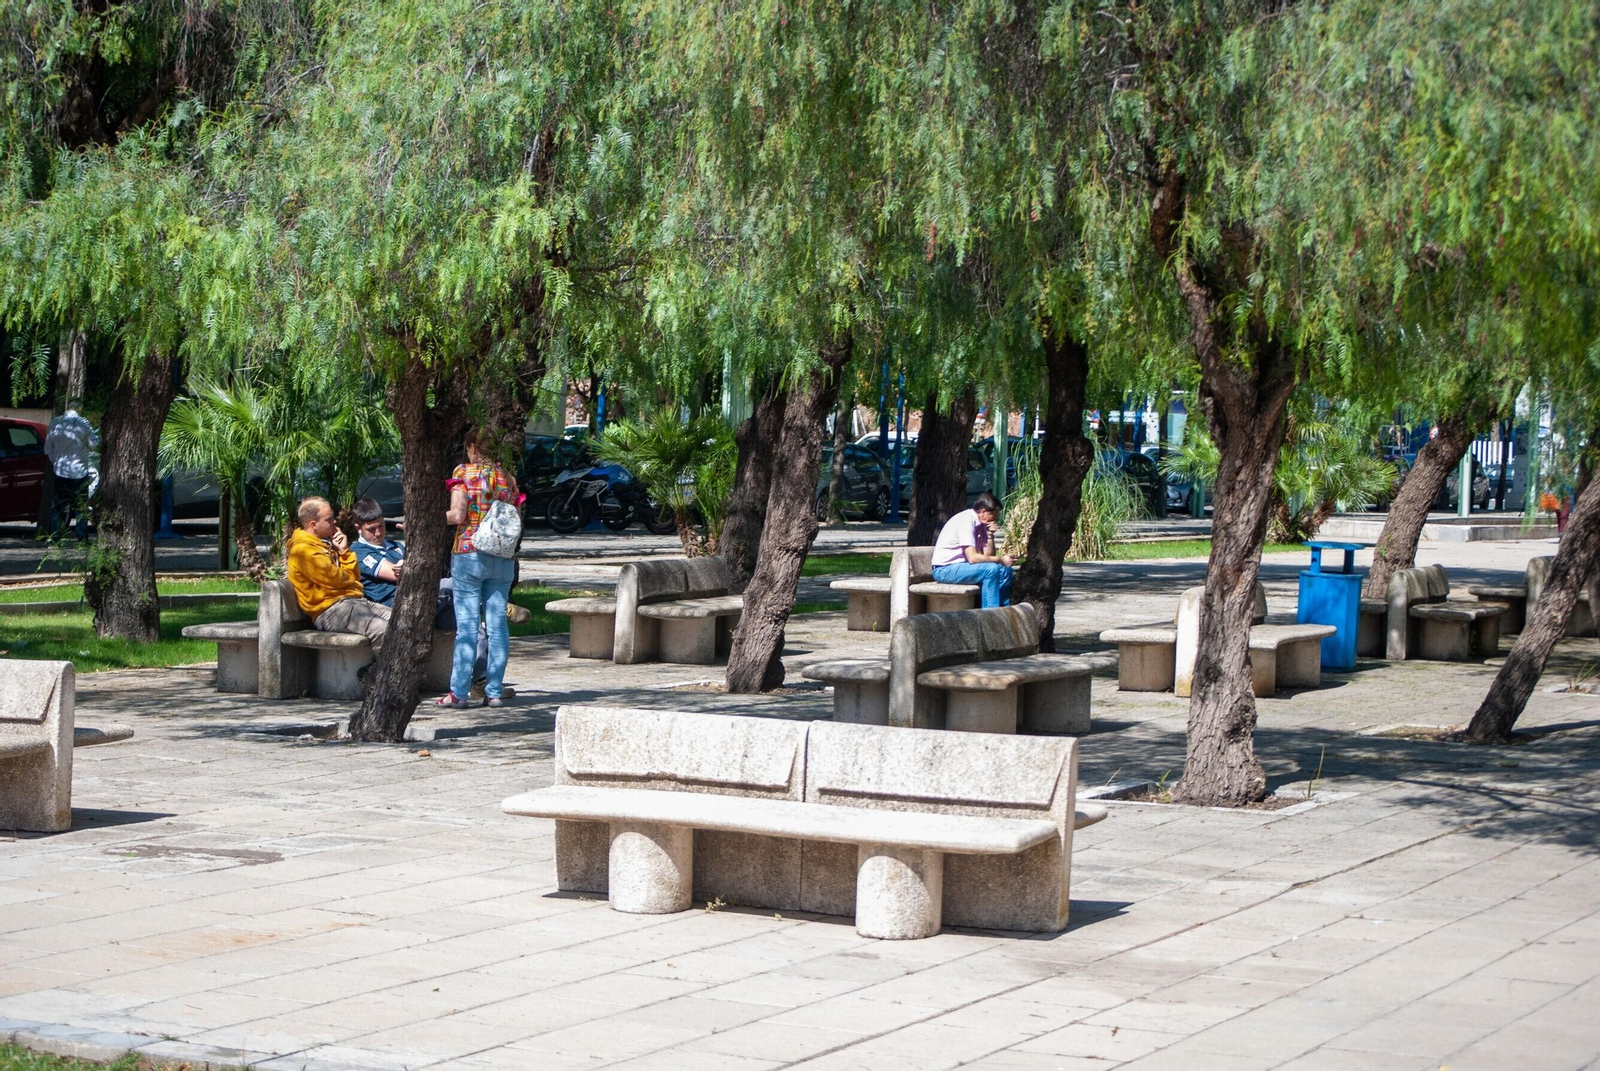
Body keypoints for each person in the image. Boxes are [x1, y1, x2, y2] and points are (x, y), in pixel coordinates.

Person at [352, 497, 526, 698]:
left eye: (381, 526)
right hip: (397, 606)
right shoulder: (359, 551)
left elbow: (421, 569)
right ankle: (497, 606)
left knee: (470, 620)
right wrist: (412, 565)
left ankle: (480, 681)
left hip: (429, 602)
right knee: (452, 585)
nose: (378, 533)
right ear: (358, 528)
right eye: (371, 529)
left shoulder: (395, 547)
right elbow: (394, 574)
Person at [438, 428, 522, 708]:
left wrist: (427, 519)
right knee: (498, 627)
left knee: (468, 628)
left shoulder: (464, 473)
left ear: (472, 447)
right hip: (502, 559)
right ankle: (494, 691)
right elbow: (514, 519)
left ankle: (458, 693)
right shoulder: (508, 478)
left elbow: (458, 514)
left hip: (469, 552)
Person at [286, 496, 391, 652]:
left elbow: (352, 577)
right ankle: (380, 672)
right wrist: (351, 581)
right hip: (331, 610)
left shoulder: (325, 544)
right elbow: (336, 579)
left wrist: (343, 551)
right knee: (382, 629)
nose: (334, 522)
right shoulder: (303, 551)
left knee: (400, 620)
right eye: (329, 519)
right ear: (313, 525)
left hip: (354, 601)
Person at [930, 491, 1016, 608]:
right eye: (995, 515)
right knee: (990, 569)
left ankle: (1003, 610)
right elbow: (973, 558)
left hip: (962, 568)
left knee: (1005, 570)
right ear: (983, 512)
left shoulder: (982, 525)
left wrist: (990, 535)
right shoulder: (966, 521)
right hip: (944, 569)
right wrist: (1000, 559)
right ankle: (990, 615)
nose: (996, 518)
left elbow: (988, 555)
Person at [43, 408, 99, 539]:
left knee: (59, 506)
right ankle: (82, 537)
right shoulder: (83, 424)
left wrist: (57, 461)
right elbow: (94, 443)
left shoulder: (55, 424)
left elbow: (48, 449)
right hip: (79, 471)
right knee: (81, 506)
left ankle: (56, 536)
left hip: (60, 470)